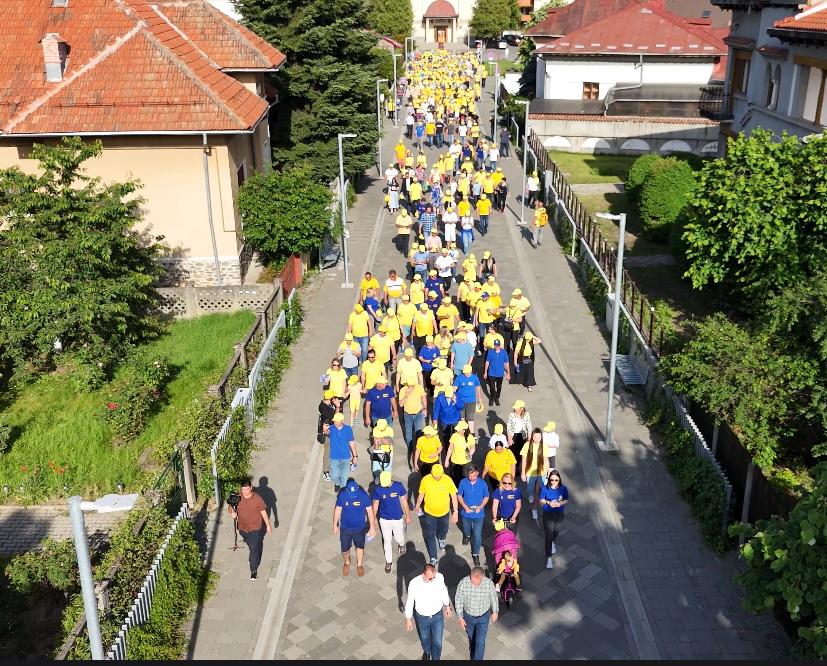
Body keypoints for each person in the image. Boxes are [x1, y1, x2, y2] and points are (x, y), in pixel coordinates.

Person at [404, 563, 452, 661]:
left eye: (433, 577)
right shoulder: (414, 583)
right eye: (430, 578)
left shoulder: (439, 577)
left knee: (437, 642)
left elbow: (443, 591)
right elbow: (410, 601)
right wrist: (408, 619)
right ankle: (427, 651)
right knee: (424, 638)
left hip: (437, 616)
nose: (432, 580)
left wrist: (447, 605)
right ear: (423, 575)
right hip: (422, 617)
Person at [414, 464, 459, 566]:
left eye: (439, 476)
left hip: (444, 513)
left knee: (444, 529)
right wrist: (417, 505)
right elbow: (421, 494)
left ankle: (441, 538)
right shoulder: (425, 480)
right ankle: (433, 557)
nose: (437, 478)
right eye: (435, 476)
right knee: (430, 535)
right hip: (429, 513)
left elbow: (453, 496)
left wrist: (455, 512)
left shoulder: (447, 480)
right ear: (431, 473)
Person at [227, 479, 272, 580]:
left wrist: (268, 525)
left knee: (253, 547)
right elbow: (230, 508)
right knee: (250, 544)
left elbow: (263, 512)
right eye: (243, 489)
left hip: (255, 527)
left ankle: (253, 570)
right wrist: (232, 513)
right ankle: (253, 554)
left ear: (251, 488)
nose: (245, 492)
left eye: (247, 489)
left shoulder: (257, 499)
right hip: (243, 528)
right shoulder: (237, 498)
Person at [333, 478, 377, 577]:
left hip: (360, 528)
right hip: (345, 528)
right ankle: (347, 562)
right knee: (344, 550)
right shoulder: (342, 495)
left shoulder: (363, 495)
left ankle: (359, 564)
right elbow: (337, 510)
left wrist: (372, 527)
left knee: (360, 547)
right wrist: (335, 524)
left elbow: (370, 511)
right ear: (347, 490)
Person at [454, 567, 499, 661]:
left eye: (475, 580)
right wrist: (460, 618)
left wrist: (495, 611)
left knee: (480, 642)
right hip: (468, 617)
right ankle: (473, 650)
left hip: (483, 618)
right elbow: (458, 600)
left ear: (481, 577)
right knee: (472, 638)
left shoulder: (488, 583)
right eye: (471, 579)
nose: (472, 582)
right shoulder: (463, 583)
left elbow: (493, 598)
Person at [372, 471, 411, 573]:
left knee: (399, 537)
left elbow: (404, 501)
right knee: (387, 541)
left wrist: (408, 515)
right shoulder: (378, 489)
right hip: (384, 519)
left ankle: (401, 544)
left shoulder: (398, 486)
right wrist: (373, 519)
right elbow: (375, 504)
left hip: (397, 518)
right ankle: (389, 562)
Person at [456, 464, 489, 566]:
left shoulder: (482, 483)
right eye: (470, 475)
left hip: (479, 514)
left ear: (477, 473)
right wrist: (465, 507)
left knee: (478, 535)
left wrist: (481, 506)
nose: (471, 478)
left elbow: (486, 497)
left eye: (474, 475)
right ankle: (467, 535)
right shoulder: (463, 482)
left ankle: (475, 554)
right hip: (466, 513)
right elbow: (459, 495)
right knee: (466, 528)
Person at [539, 469, 569, 569]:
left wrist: (559, 503)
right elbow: (541, 499)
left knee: (556, 531)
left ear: (559, 479)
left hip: (559, 513)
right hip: (548, 513)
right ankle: (549, 558)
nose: (554, 482)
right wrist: (549, 503)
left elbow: (566, 500)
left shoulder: (563, 489)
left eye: (556, 480)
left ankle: (552, 541)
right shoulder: (545, 488)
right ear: (549, 480)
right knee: (548, 535)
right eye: (552, 480)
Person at [521, 427, 550, 518]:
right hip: (530, 472)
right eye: (535, 437)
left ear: (541, 437)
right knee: (530, 488)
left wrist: (548, 471)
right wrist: (523, 473)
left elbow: (546, 459)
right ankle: (530, 495)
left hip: (541, 472)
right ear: (532, 436)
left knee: (540, 489)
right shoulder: (527, 445)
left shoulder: (544, 446)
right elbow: (524, 459)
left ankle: (536, 507)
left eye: (539, 437)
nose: (537, 439)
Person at [399, 378, 427, 468]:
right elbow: (401, 404)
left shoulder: (419, 388)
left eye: (413, 385)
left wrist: (425, 408)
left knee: (418, 433)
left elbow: (423, 397)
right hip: (407, 415)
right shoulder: (403, 390)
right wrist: (407, 395)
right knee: (408, 435)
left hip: (418, 414)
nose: (411, 387)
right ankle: (411, 449)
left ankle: (418, 450)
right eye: (410, 385)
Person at [327, 413, 357, 492]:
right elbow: (327, 433)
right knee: (333, 476)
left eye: (336, 421)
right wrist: (324, 430)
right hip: (334, 457)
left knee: (345, 476)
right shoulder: (331, 428)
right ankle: (337, 483)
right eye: (334, 421)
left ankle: (343, 489)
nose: (335, 422)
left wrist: (355, 456)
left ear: (341, 421)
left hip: (345, 457)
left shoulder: (348, 429)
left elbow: (351, 442)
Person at [453, 364, 483, 434]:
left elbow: (478, 387)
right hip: (461, 401)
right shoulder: (459, 377)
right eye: (464, 372)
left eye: (467, 372)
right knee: (462, 418)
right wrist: (454, 398)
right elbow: (454, 388)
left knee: (470, 418)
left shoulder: (474, 378)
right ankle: (463, 433)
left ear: (471, 371)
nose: (465, 374)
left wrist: (480, 398)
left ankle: (472, 434)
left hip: (471, 401)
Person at [506, 400, 532, 475]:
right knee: (513, 452)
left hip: (522, 436)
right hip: (513, 435)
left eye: (516, 408)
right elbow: (509, 426)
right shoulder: (512, 414)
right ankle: (513, 467)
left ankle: (518, 467)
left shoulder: (526, 414)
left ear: (521, 408)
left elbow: (529, 426)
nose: (515, 409)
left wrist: (529, 437)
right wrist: (509, 438)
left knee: (521, 452)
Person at [445, 420, 474, 486]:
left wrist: (470, 453)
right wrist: (447, 460)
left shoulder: (470, 437)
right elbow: (450, 448)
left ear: (464, 430)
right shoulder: (454, 436)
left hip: (466, 463)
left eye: (458, 429)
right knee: (455, 479)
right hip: (455, 461)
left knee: (465, 480)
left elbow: (473, 447)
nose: (457, 430)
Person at [317, 389, 337, 482]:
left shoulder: (325, 403)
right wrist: (337, 407)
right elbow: (335, 418)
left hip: (332, 430)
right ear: (331, 398)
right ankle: (326, 471)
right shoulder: (325, 409)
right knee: (327, 452)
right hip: (327, 433)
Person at [483, 338, 508, 406]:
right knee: (492, 387)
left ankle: (497, 398)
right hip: (491, 373)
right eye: (495, 345)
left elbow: (506, 363)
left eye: (498, 345)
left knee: (499, 387)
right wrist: (485, 372)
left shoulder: (504, 352)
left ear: (500, 345)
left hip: (500, 374)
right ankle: (492, 398)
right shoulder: (490, 352)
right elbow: (487, 362)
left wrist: (508, 373)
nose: (496, 347)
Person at [370, 419, 395, 484]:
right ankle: (378, 478)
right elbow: (376, 442)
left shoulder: (390, 430)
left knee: (387, 468)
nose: (381, 430)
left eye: (382, 429)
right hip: (378, 450)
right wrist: (383, 440)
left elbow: (389, 442)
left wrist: (379, 440)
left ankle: (387, 480)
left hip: (388, 452)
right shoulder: (375, 429)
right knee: (376, 468)